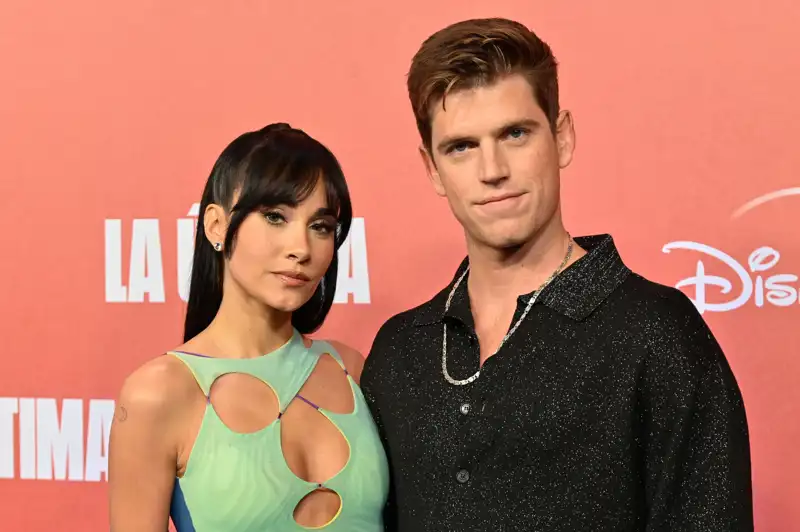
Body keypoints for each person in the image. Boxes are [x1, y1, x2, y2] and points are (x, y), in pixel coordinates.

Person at [360, 17, 753, 531]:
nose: (492, 169)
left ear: (562, 138)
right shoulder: (401, 352)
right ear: (432, 168)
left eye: (515, 133)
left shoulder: (656, 333)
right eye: (461, 147)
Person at [108, 123, 389, 531]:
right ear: (216, 226)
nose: (301, 249)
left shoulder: (352, 369)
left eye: (321, 226)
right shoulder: (159, 393)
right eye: (276, 217)